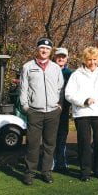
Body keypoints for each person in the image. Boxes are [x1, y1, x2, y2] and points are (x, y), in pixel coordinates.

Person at [20, 37, 64, 185]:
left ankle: (46, 172)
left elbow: (60, 88)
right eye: (41, 48)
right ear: (37, 49)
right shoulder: (28, 67)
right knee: (32, 144)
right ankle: (30, 172)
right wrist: (26, 107)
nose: (44, 51)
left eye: (47, 49)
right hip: (35, 112)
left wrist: (59, 106)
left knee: (49, 144)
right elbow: (23, 89)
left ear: (50, 51)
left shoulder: (56, 68)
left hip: (52, 112)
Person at [65, 46, 98, 181]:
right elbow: (69, 94)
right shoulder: (76, 75)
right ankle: (85, 172)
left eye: (95, 59)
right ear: (85, 60)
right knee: (84, 143)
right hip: (82, 113)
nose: (92, 62)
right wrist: (83, 101)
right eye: (89, 59)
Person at [52, 47, 72, 172]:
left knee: (62, 136)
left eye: (63, 56)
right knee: (50, 137)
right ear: (54, 57)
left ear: (67, 58)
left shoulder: (70, 74)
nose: (61, 58)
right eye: (59, 56)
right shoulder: (48, 71)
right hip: (50, 110)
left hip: (64, 110)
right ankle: (51, 162)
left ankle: (61, 162)